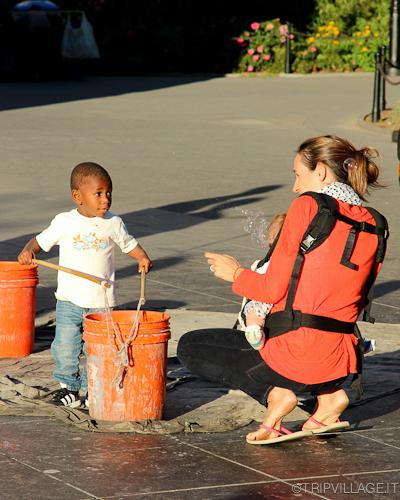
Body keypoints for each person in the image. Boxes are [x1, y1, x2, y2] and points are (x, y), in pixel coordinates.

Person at [178, 135, 387, 445]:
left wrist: (235, 273)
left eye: (297, 175)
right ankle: (329, 399)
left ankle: (276, 396)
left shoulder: (309, 206)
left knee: (191, 345)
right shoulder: (376, 222)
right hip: (342, 361)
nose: (295, 187)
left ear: (320, 172)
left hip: (294, 356)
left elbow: (272, 288)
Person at [18, 162, 152, 408]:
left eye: (109, 192)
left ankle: (91, 388)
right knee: (65, 346)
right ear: (78, 197)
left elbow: (129, 244)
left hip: (101, 304)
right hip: (68, 299)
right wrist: (28, 251)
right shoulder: (64, 222)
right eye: (98, 193)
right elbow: (39, 242)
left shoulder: (113, 223)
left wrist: (142, 257)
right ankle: (68, 387)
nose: (106, 199)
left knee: (99, 349)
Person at [240, 213, 286, 350]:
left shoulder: (272, 262)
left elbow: (259, 279)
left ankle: (253, 331)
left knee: (254, 310)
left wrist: (240, 275)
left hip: (266, 294)